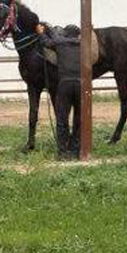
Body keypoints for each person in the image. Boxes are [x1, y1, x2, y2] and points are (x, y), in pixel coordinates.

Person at [37, 24, 83, 159]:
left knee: (62, 119)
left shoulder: (60, 43)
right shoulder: (83, 45)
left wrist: (41, 32)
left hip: (65, 84)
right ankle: (75, 150)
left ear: (65, 34)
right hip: (80, 84)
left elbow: (45, 42)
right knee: (79, 119)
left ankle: (63, 151)